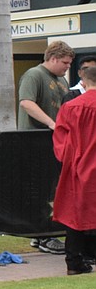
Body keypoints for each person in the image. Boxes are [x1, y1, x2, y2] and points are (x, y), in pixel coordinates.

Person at [18, 40, 75, 255]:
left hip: (56, 141)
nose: (67, 67)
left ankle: (46, 233)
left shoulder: (61, 79)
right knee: (40, 188)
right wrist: (52, 124)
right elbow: (26, 102)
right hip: (35, 140)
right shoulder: (34, 74)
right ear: (52, 58)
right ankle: (42, 236)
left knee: (54, 187)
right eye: (65, 62)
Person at [53, 66, 96, 275]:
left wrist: (68, 161)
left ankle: (74, 261)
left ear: (84, 83)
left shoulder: (71, 107)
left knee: (75, 212)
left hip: (78, 166)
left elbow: (60, 139)